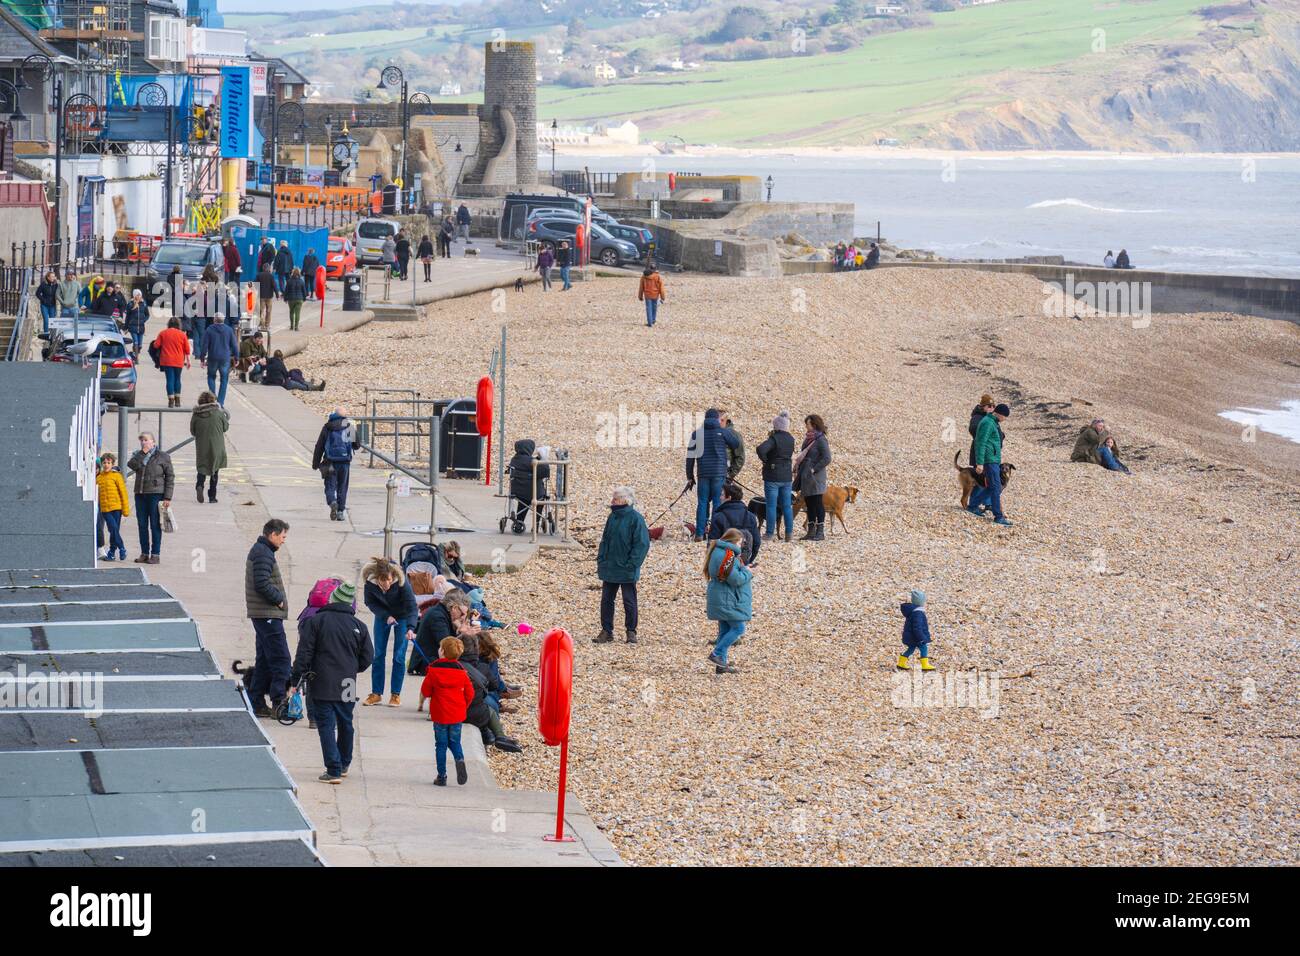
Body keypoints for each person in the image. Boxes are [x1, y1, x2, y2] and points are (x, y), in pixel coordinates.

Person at [291, 580, 373, 783]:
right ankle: (344, 763)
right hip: (348, 681)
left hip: (322, 680)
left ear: (332, 600)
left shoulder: (315, 622)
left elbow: (304, 654)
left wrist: (295, 680)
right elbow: (368, 657)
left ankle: (333, 769)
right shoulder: (359, 626)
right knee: (346, 721)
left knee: (326, 724)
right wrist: (353, 668)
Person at [245, 518, 292, 717]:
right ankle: (279, 703)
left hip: (262, 614)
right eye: (282, 536)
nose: (283, 541)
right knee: (281, 659)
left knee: (264, 659)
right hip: (267, 614)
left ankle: (256, 701)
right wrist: (278, 599)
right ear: (272, 534)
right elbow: (261, 583)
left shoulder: (261, 550)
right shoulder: (263, 553)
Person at [593, 485, 650, 645]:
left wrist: (632, 564)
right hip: (610, 566)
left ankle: (631, 632)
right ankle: (606, 631)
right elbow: (605, 540)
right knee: (606, 600)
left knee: (629, 601)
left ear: (625, 500)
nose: (612, 501)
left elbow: (642, 544)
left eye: (615, 499)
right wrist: (602, 559)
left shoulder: (636, 518)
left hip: (626, 568)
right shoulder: (612, 517)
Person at [362, 556, 418, 707]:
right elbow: (370, 602)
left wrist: (411, 628)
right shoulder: (370, 583)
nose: (386, 584)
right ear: (377, 578)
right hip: (383, 616)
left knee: (399, 656)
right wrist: (385, 616)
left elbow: (412, 607)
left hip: (403, 616)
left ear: (392, 576)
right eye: (382, 581)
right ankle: (376, 693)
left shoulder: (402, 583)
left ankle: (395, 694)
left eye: (388, 580)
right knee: (378, 654)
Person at [419, 636, 474, 787]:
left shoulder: (434, 671)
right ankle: (459, 759)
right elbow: (470, 694)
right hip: (457, 714)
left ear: (442, 651)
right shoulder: (462, 673)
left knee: (441, 745)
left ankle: (442, 776)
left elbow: (425, 691)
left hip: (440, 714)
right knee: (455, 742)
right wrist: (463, 706)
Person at [685, 408, 740, 541]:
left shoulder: (696, 434)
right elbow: (736, 443)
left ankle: (699, 533)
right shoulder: (722, 431)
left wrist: (690, 476)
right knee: (717, 502)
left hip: (703, 473)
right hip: (719, 473)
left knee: (702, 502)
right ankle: (715, 534)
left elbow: (690, 457)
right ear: (716, 419)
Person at [705, 528, 752, 675]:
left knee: (725, 630)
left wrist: (743, 568)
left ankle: (721, 664)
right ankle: (716, 653)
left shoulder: (718, 551)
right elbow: (735, 579)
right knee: (739, 628)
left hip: (721, 596)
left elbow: (726, 573)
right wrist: (748, 572)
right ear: (733, 541)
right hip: (726, 598)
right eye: (740, 542)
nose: (741, 546)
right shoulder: (727, 555)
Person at [126, 432, 173, 565]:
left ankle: (155, 554)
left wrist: (167, 497)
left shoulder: (163, 456)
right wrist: (142, 453)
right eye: (142, 440)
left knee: (155, 525)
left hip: (156, 494)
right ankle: (144, 553)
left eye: (146, 440)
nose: (143, 443)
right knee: (142, 524)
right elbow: (132, 465)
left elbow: (170, 477)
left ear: (153, 442)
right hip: (140, 494)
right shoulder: (138, 455)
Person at [312, 407, 359, 521]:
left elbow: (319, 446)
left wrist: (316, 463)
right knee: (342, 487)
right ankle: (340, 512)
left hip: (330, 462)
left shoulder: (328, 427)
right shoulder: (349, 426)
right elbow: (357, 445)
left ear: (334, 414)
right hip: (345, 462)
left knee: (330, 486)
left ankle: (332, 501)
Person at [971, 402, 1013, 526]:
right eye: (1005, 417)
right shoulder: (988, 423)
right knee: (996, 488)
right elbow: (981, 443)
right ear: (1000, 415)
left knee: (990, 487)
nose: (1005, 420)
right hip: (989, 460)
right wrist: (979, 463)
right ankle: (998, 517)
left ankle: (972, 505)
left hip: (993, 459)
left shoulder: (992, 422)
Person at [756, 410, 795, 541]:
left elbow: (761, 449)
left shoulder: (774, 438)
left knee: (771, 505)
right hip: (787, 476)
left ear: (777, 426)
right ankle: (789, 534)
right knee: (786, 506)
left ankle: (769, 533)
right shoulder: (791, 439)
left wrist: (766, 460)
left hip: (773, 475)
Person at [792, 414, 832, 541]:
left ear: (814, 424)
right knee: (809, 503)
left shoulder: (821, 439)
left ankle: (820, 532)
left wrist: (814, 468)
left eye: (807, 424)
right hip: (806, 476)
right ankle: (811, 531)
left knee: (817, 503)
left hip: (816, 477)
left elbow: (827, 458)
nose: (806, 426)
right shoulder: (808, 438)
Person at [708, 482, 762, 564]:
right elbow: (757, 542)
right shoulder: (750, 516)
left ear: (729, 498)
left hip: (722, 560)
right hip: (743, 559)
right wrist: (749, 561)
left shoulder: (718, 516)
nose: (720, 497)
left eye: (722, 495)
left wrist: (712, 563)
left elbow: (712, 543)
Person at [189, 391, 228, 504]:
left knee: (202, 467)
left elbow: (192, 431)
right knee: (215, 469)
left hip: (202, 445)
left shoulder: (196, 414)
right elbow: (225, 427)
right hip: (217, 446)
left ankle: (199, 485)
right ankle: (212, 496)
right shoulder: (218, 413)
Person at [507, 439, 549, 533]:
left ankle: (519, 521)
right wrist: (543, 459)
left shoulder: (514, 460)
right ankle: (536, 523)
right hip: (535, 492)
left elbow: (525, 463)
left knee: (523, 501)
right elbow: (545, 472)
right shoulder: (532, 462)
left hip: (518, 491)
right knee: (540, 499)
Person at [198, 313, 238, 406]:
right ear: (223, 320)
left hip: (213, 357)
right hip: (225, 358)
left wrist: (202, 358)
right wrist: (236, 357)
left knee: (211, 377)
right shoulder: (229, 330)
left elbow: (204, 345)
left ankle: (212, 398)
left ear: (214, 320)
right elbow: (234, 345)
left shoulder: (209, 329)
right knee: (224, 379)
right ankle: (220, 402)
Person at [95, 453, 129, 562]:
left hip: (116, 508)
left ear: (112, 464)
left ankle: (111, 553)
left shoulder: (116, 476)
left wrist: (125, 509)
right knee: (113, 529)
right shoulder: (99, 478)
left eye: (108, 463)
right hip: (105, 509)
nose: (106, 465)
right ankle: (122, 548)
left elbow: (123, 493)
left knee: (114, 531)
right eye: (104, 463)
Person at [152, 316, 191, 408]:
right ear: (179, 325)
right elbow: (187, 349)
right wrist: (188, 361)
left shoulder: (163, 333)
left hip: (166, 360)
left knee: (169, 379)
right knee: (178, 379)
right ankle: (177, 400)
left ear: (169, 324)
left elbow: (156, 345)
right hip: (178, 360)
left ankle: (171, 400)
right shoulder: (182, 334)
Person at [897, 589, 934, 671]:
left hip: (911, 636)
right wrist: (921, 637)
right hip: (916, 637)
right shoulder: (918, 613)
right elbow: (917, 627)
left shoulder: (913, 611)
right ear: (921, 601)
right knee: (924, 648)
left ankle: (901, 662)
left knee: (911, 648)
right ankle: (925, 664)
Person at [123, 289, 149, 358]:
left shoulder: (144, 303)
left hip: (141, 327)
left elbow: (147, 314)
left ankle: (135, 352)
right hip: (132, 327)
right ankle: (136, 356)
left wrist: (143, 320)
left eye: (140, 295)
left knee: (140, 345)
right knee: (136, 342)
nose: (139, 296)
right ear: (134, 296)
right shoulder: (130, 303)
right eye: (137, 295)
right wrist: (125, 327)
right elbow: (127, 316)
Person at [720, 412, 744, 480]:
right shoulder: (711, 433)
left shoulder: (734, 435)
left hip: (724, 476)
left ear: (725, 421)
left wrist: (730, 475)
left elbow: (740, 457)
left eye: (721, 420)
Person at [284, 267, 306, 331]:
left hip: (291, 299)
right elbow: (304, 291)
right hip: (299, 299)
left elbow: (286, 291)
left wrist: (285, 299)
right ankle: (296, 327)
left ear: (292, 273)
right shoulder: (301, 281)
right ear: (299, 273)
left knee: (291, 312)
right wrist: (304, 298)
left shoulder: (289, 281)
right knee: (297, 313)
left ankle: (291, 326)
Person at [257, 263, 275, 330]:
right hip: (269, 296)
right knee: (268, 311)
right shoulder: (271, 276)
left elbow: (254, 283)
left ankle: (261, 324)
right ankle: (267, 325)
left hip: (261, 296)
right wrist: (277, 294)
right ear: (268, 268)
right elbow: (274, 285)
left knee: (261, 311)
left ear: (263, 268)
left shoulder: (259, 275)